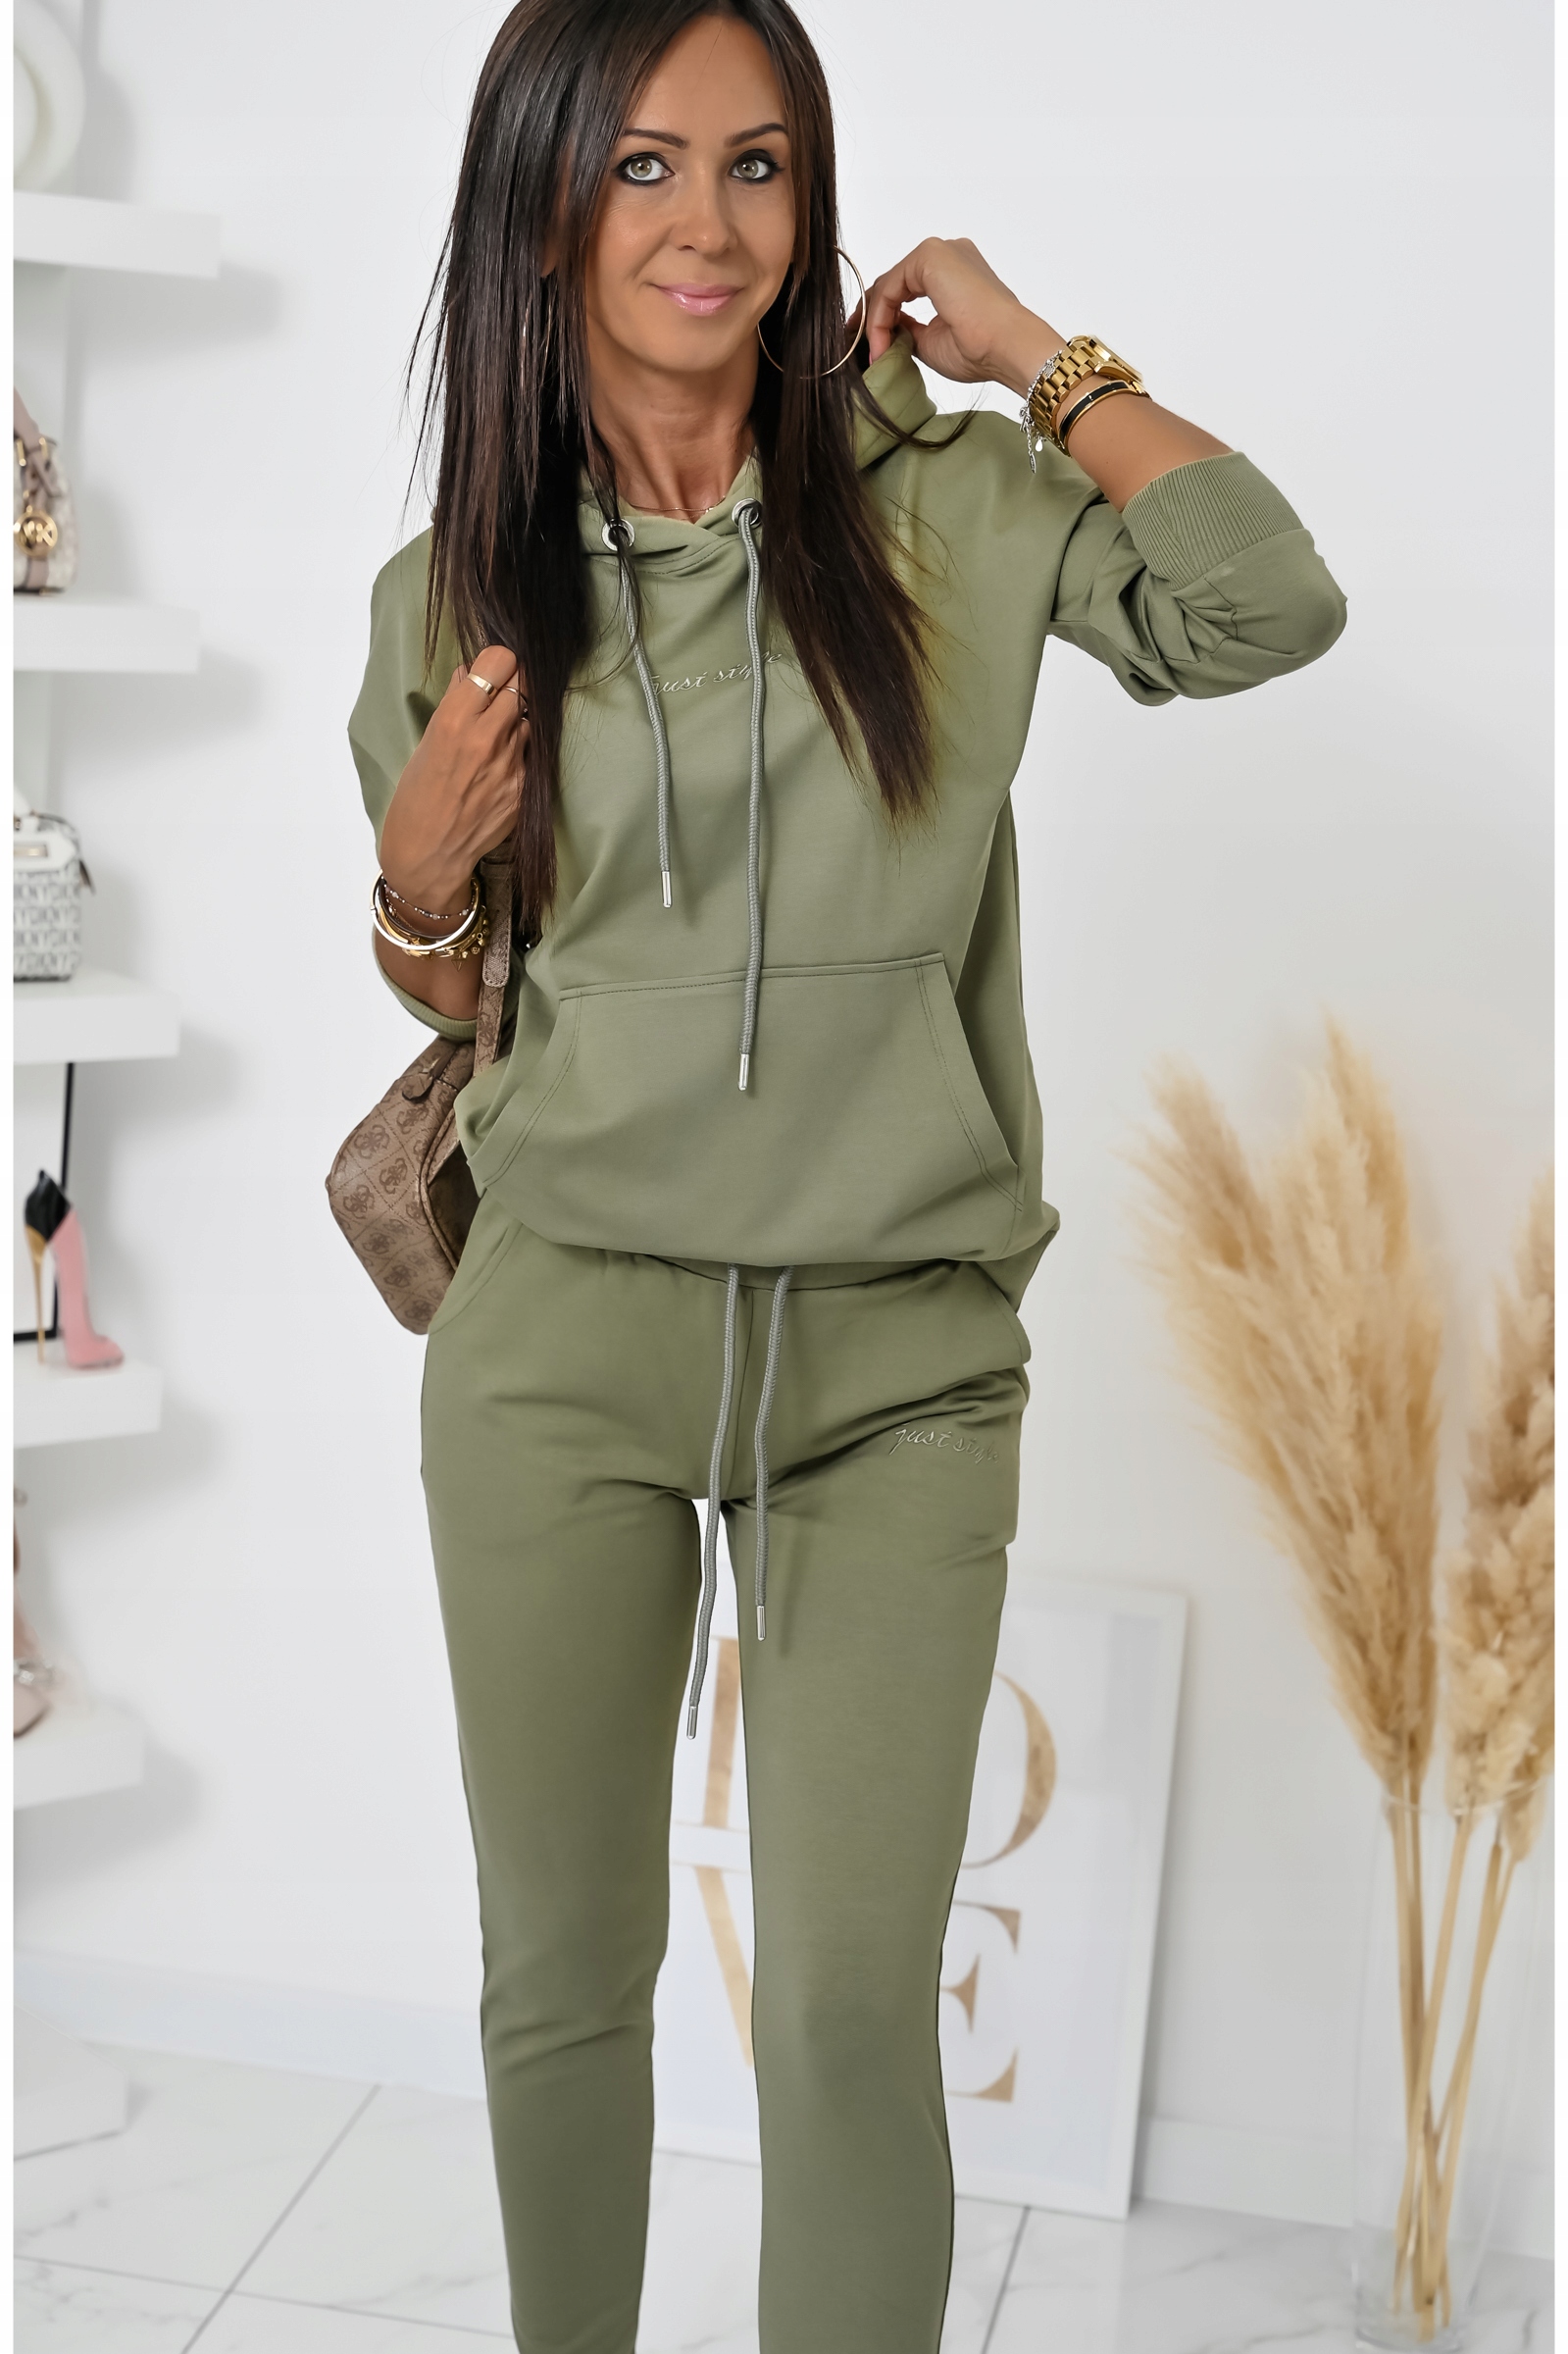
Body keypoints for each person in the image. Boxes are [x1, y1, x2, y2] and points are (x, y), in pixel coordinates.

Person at [346, 3, 1347, 2346]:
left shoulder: (948, 513)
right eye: (642, 166)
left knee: (837, 2017)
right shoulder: (454, 590)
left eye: (759, 163)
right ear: (542, 207)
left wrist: (1039, 361)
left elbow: (1261, 605)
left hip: (893, 1370)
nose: (708, 224)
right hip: (559, 1353)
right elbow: (464, 995)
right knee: (558, 1977)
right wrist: (412, 885)